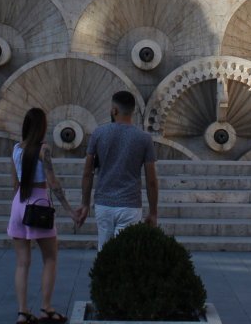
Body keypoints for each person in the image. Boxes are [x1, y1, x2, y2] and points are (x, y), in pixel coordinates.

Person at [8, 108, 77, 324]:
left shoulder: (16, 149)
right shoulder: (43, 149)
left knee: (22, 262)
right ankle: (46, 308)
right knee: (50, 257)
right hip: (38, 205)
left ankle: (22, 312)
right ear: (42, 126)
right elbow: (53, 182)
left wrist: (18, 206)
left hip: (19, 204)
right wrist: (69, 210)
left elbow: (15, 183)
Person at [76, 91, 158, 250]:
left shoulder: (98, 133)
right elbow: (151, 181)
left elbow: (87, 173)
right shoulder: (144, 138)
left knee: (105, 252)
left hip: (103, 204)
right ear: (133, 111)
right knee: (126, 254)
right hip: (130, 206)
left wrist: (85, 203)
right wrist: (153, 212)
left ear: (114, 110)